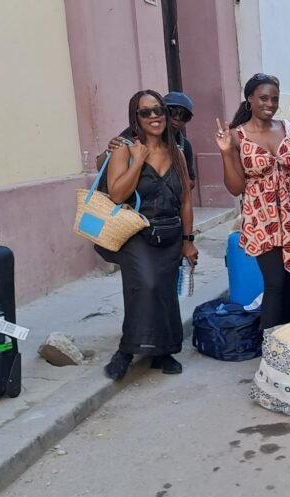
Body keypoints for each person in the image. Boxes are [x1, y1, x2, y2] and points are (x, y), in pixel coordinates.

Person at [99, 90, 197, 380]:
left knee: (165, 291)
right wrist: (139, 160)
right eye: (146, 112)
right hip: (137, 232)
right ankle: (126, 351)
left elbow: (187, 201)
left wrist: (188, 241)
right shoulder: (125, 149)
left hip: (170, 232)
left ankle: (163, 351)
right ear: (136, 118)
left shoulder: (178, 152)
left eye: (158, 110)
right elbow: (117, 194)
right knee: (146, 286)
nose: (154, 116)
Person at [215, 73, 290, 330]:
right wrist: (225, 153)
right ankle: (271, 345)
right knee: (275, 283)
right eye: (263, 98)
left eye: (274, 99)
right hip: (261, 217)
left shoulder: (289, 128)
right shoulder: (236, 136)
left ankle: (286, 343)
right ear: (250, 99)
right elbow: (235, 188)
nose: (270, 103)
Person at [101, 90, 197, 190]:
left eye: (184, 116)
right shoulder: (133, 134)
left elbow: (190, 183)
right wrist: (112, 150)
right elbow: (102, 164)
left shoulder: (183, 146)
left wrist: (172, 180)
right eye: (172, 112)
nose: (177, 118)